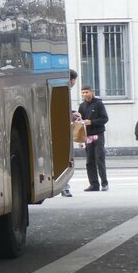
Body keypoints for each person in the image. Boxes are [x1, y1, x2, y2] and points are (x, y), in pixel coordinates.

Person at [76, 85, 109, 191]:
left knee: (99, 158)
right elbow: (79, 123)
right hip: (88, 136)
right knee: (89, 161)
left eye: (86, 92)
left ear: (92, 92)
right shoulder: (82, 106)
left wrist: (91, 122)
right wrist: (80, 139)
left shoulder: (99, 104)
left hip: (98, 135)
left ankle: (104, 183)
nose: (85, 94)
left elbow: (105, 118)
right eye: (83, 93)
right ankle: (94, 184)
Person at [62, 69, 78, 197]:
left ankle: (65, 186)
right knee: (66, 158)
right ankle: (65, 186)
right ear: (71, 79)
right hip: (63, 131)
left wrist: (72, 113)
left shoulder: (63, 89)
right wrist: (71, 115)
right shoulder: (64, 90)